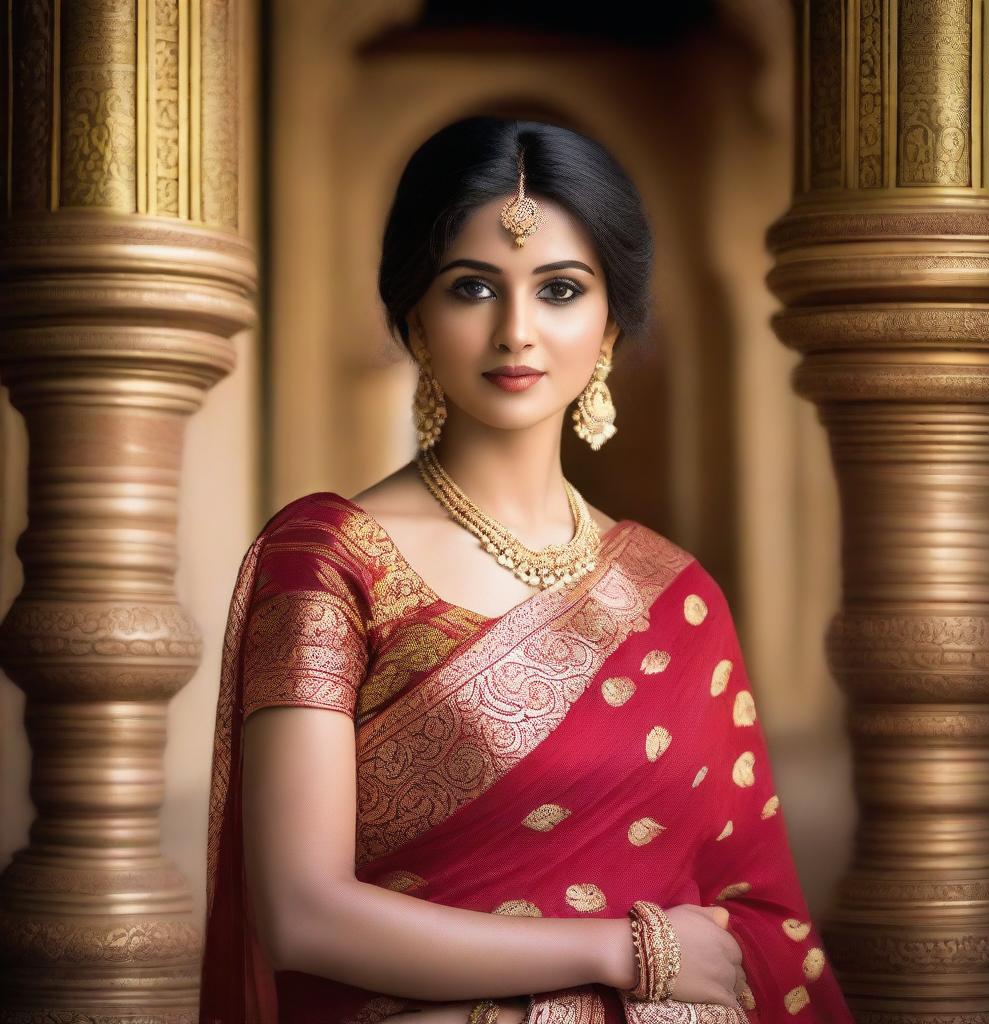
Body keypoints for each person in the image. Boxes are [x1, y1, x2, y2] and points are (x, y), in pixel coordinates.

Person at [198, 117, 855, 1024]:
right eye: (473, 288)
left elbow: (755, 921)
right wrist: (626, 953)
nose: (517, 331)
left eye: (559, 290)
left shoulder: (677, 596)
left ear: (612, 322)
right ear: (414, 316)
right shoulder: (325, 564)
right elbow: (300, 915)